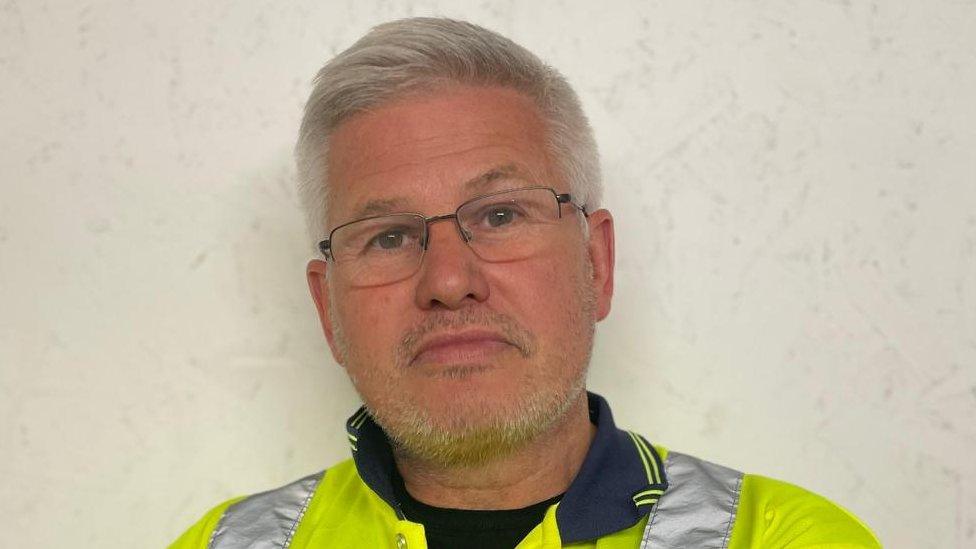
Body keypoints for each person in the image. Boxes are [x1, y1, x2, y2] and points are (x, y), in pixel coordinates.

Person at [170, 17, 880, 548]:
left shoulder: (783, 536)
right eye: (388, 235)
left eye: (501, 214)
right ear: (328, 310)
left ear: (596, 262)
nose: (448, 280)